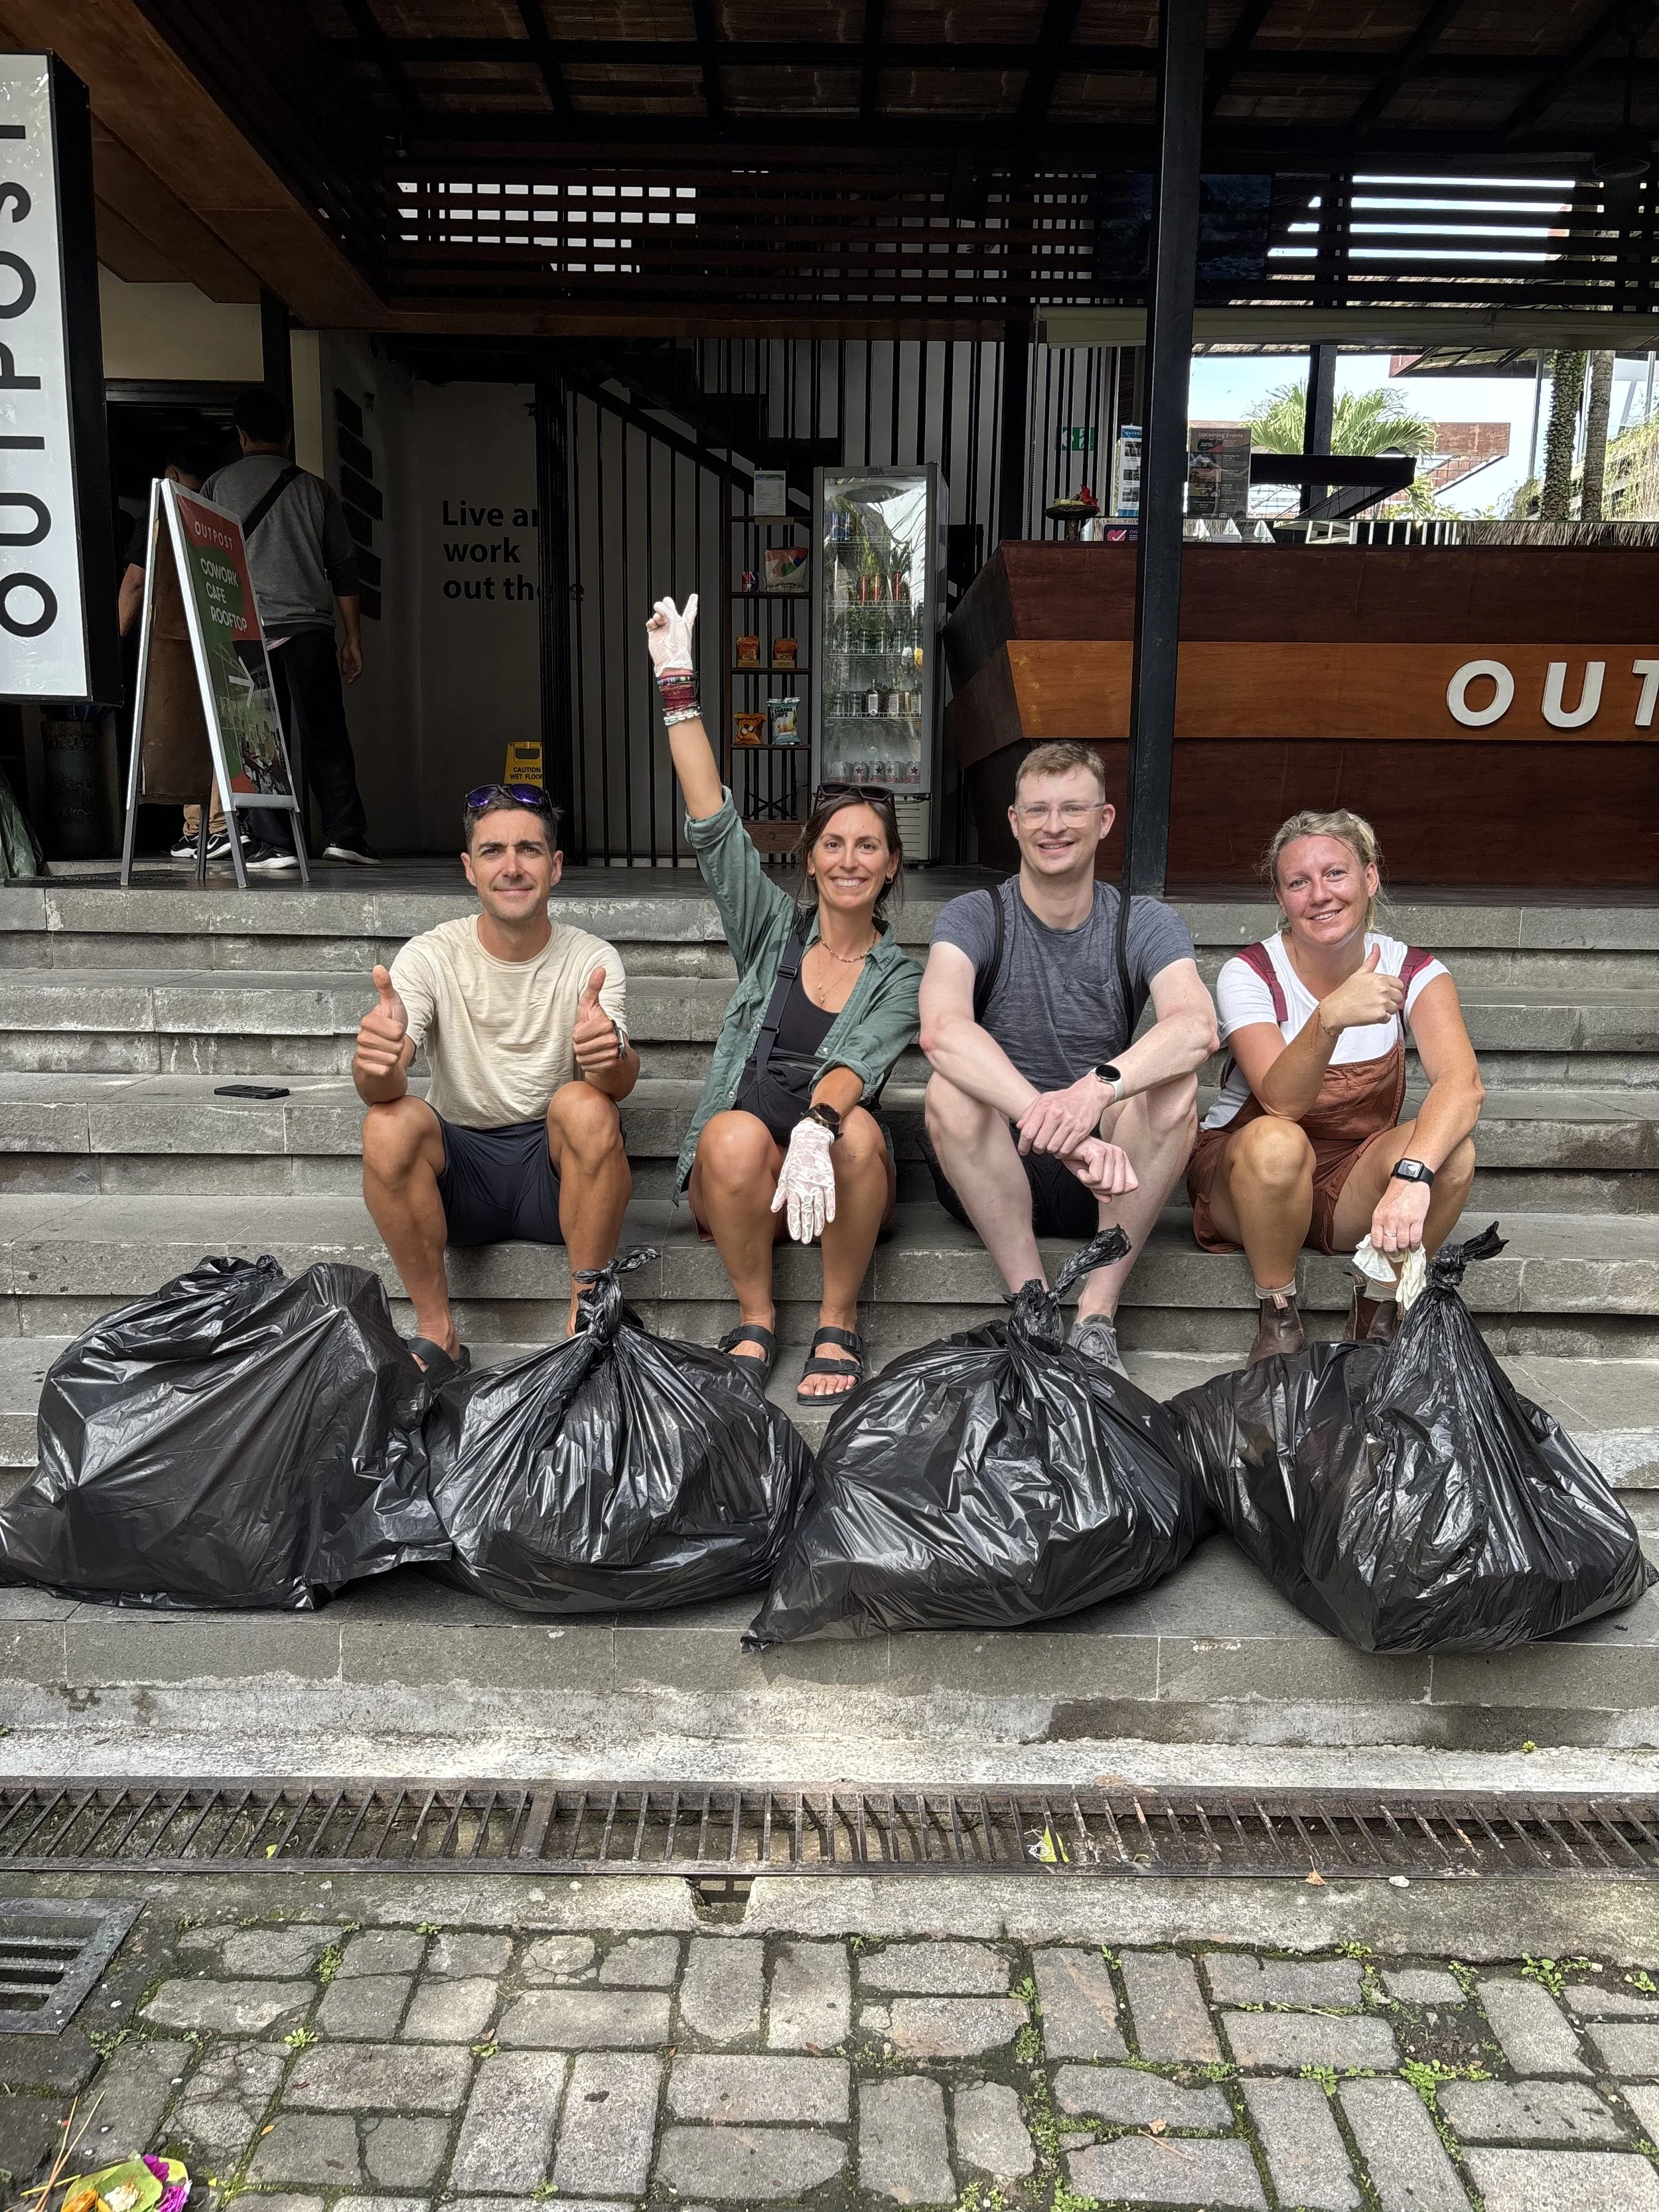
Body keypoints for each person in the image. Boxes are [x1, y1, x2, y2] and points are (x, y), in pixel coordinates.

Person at [646, 593, 920, 1402]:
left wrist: (818, 1125)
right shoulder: (772, 931)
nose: (848, 859)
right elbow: (713, 824)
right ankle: (757, 1315)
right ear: (809, 859)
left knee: (862, 1132)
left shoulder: (903, 974)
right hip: (748, 1175)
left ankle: (838, 1321)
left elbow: (861, 1060)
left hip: (832, 1155)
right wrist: (676, 686)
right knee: (728, 1137)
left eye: (866, 846)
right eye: (832, 844)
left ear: (891, 865)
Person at [918, 741, 1218, 1377]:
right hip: (996, 1166)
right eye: (1038, 811)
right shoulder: (975, 914)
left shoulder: (1142, 920)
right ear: (1014, 821)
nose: (1054, 826)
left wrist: (1094, 1092)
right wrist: (1046, 1119)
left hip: (1108, 1180)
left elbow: (1196, 1027)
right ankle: (1032, 1303)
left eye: (1072, 809)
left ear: (1104, 820)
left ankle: (1095, 1317)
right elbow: (942, 1030)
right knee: (948, 1088)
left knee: (1175, 1087)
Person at [352, 783, 635, 1366]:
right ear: (469, 868)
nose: (511, 867)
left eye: (529, 850)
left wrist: (610, 1057)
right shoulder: (430, 956)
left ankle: (586, 1323)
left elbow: (617, 1083)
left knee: (588, 1104)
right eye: (492, 852)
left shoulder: (593, 959)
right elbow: (383, 1087)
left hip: (552, 1175)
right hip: (461, 1173)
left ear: (555, 867)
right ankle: (438, 1332)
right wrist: (375, 1063)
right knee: (386, 1125)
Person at [1187, 808, 1484, 1362]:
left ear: (1370, 878)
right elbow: (1281, 1102)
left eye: (1336, 874)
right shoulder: (1251, 972)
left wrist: (1412, 1176)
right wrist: (1330, 1017)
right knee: (1277, 1140)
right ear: (1281, 899)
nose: (1319, 894)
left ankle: (1378, 1309)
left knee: (1453, 1154)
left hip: (1350, 1181)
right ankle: (1278, 1315)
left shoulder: (1413, 968)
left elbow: (1462, 1085)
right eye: (1298, 882)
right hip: (1247, 1176)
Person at [200, 385, 376, 870]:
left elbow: (205, 567)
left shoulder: (214, 488)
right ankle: (346, 835)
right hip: (309, 630)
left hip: (243, 632)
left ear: (241, 435)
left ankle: (272, 841)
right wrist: (353, 638)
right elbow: (343, 568)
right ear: (288, 434)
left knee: (257, 737)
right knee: (325, 731)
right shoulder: (315, 490)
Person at [113, 429, 232, 863]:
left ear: (171, 473)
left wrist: (112, 646)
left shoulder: (163, 511)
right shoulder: (221, 515)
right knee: (209, 729)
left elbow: (136, 582)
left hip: (170, 640)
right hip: (220, 633)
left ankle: (209, 827)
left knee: (184, 730)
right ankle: (203, 826)